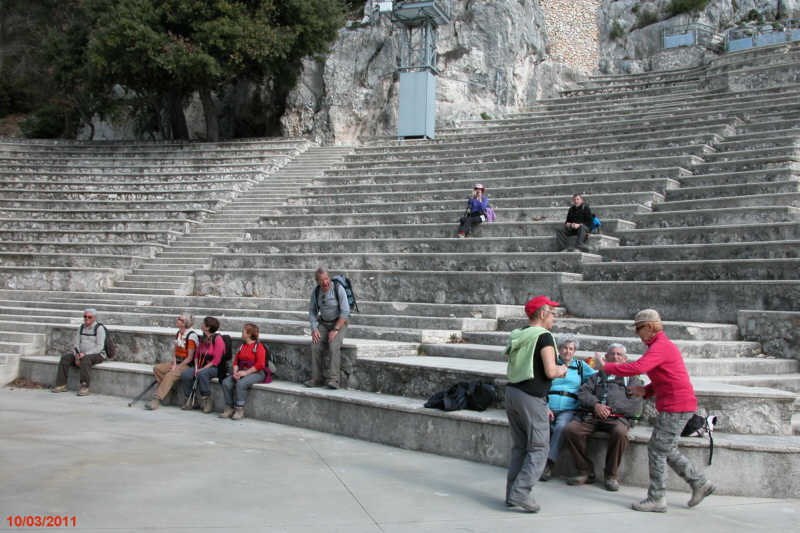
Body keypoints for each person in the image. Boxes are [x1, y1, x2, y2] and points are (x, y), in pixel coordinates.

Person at [593, 309, 715, 512]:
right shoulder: (660, 346)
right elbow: (666, 376)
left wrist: (607, 367)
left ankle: (657, 498)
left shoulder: (660, 346)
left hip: (676, 405)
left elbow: (637, 368)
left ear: (650, 327)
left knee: (658, 449)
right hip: (676, 404)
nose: (637, 333)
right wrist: (647, 391)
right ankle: (700, 483)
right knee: (666, 448)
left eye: (639, 328)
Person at [504, 295, 568, 513]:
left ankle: (512, 494)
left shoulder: (519, 334)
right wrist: (562, 369)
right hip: (531, 397)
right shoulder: (544, 336)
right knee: (540, 448)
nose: (554, 318)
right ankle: (521, 493)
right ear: (542, 314)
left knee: (520, 447)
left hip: (513, 393)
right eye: (552, 313)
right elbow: (550, 371)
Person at [562, 343, 644, 491]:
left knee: (620, 432)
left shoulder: (631, 378)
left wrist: (611, 409)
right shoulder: (597, 376)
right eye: (612, 354)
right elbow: (583, 393)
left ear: (625, 359)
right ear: (606, 357)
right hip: (593, 415)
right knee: (571, 430)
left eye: (619, 354)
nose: (615, 357)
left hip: (617, 418)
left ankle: (611, 475)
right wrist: (596, 405)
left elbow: (635, 403)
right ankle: (585, 470)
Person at [540, 334, 596, 481]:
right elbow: (540, 386)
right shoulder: (551, 364)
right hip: (548, 405)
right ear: (558, 349)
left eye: (571, 349)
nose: (568, 351)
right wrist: (545, 406)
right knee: (542, 426)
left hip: (569, 408)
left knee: (561, 427)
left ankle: (549, 464)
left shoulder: (580, 366)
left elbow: (597, 377)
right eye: (565, 348)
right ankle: (535, 462)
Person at [306, 267, 350, 389]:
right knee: (315, 344)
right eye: (321, 280)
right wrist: (314, 328)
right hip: (324, 323)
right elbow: (312, 311)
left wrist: (335, 330)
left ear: (329, 278)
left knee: (333, 344)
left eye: (326, 279)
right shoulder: (316, 291)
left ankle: (334, 379)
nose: (325, 282)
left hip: (339, 322)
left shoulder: (338, 289)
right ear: (317, 281)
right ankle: (317, 379)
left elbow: (345, 311)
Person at [145, 313, 198, 410]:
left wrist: (177, 367)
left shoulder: (191, 336)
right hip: (177, 361)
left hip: (186, 364)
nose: (177, 320)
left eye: (180, 319)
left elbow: (190, 358)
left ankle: (156, 399)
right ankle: (169, 392)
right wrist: (174, 364)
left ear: (184, 323)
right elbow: (175, 351)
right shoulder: (178, 333)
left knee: (170, 375)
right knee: (157, 369)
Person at [51, 308, 107, 396]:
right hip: (81, 354)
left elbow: (99, 347)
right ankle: (61, 384)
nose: (87, 319)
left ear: (94, 318)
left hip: (97, 354)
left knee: (85, 360)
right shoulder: (81, 327)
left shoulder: (99, 328)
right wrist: (76, 355)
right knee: (65, 358)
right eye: (85, 316)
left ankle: (85, 386)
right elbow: (76, 344)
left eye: (89, 317)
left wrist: (84, 354)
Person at [220, 323, 268, 420]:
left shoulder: (259, 346)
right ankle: (229, 407)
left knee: (241, 384)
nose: (241, 333)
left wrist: (245, 373)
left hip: (257, 372)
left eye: (243, 331)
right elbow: (236, 361)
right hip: (242, 371)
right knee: (226, 382)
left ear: (249, 334)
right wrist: (235, 372)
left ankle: (239, 409)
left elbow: (260, 364)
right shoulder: (242, 346)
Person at [180, 316, 225, 414]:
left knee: (202, 374)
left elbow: (216, 361)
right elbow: (196, 355)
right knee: (185, 374)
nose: (201, 325)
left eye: (203, 324)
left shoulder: (218, 339)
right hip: (200, 366)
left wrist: (201, 369)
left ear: (208, 327)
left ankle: (207, 400)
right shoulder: (203, 338)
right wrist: (196, 367)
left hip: (214, 368)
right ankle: (191, 399)